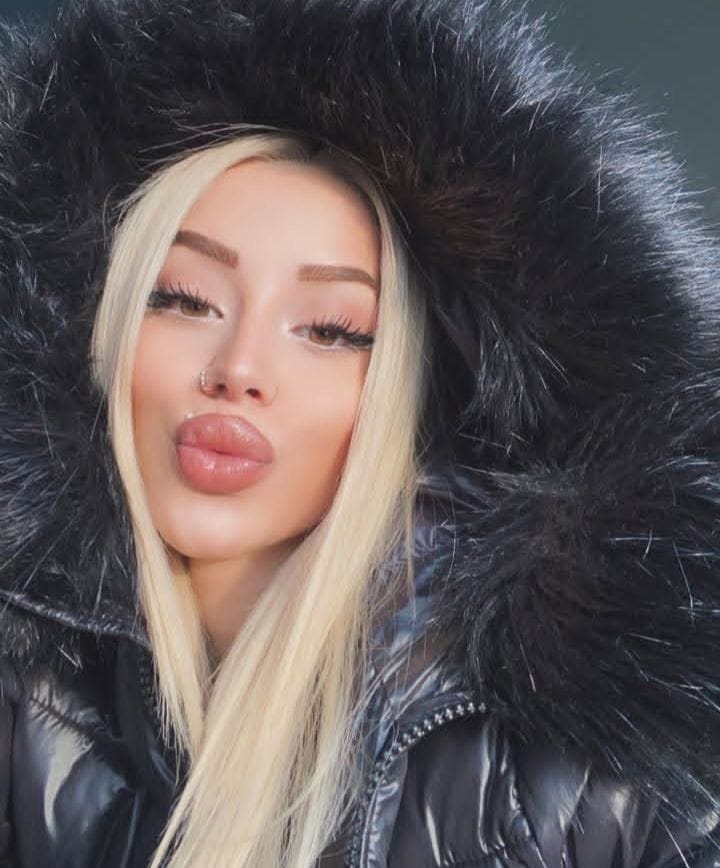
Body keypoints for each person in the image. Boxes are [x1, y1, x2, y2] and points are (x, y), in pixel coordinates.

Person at [0, 0, 719, 866]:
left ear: (405, 395)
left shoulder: (584, 778)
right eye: (184, 299)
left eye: (332, 329)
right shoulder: (24, 705)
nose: (238, 367)